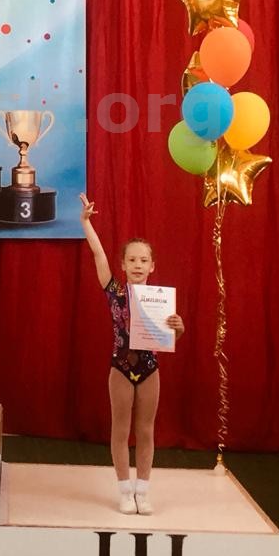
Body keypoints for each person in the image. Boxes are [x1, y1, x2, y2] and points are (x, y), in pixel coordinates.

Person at [79, 192, 184, 514]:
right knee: (120, 430)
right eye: (132, 260)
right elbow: (98, 254)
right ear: (123, 264)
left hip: (150, 368)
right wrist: (86, 223)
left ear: (152, 266)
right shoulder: (115, 291)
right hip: (120, 368)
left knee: (146, 431)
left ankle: (143, 490)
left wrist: (178, 327)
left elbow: (170, 335)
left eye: (143, 260)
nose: (138, 265)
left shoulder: (159, 299)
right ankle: (125, 490)